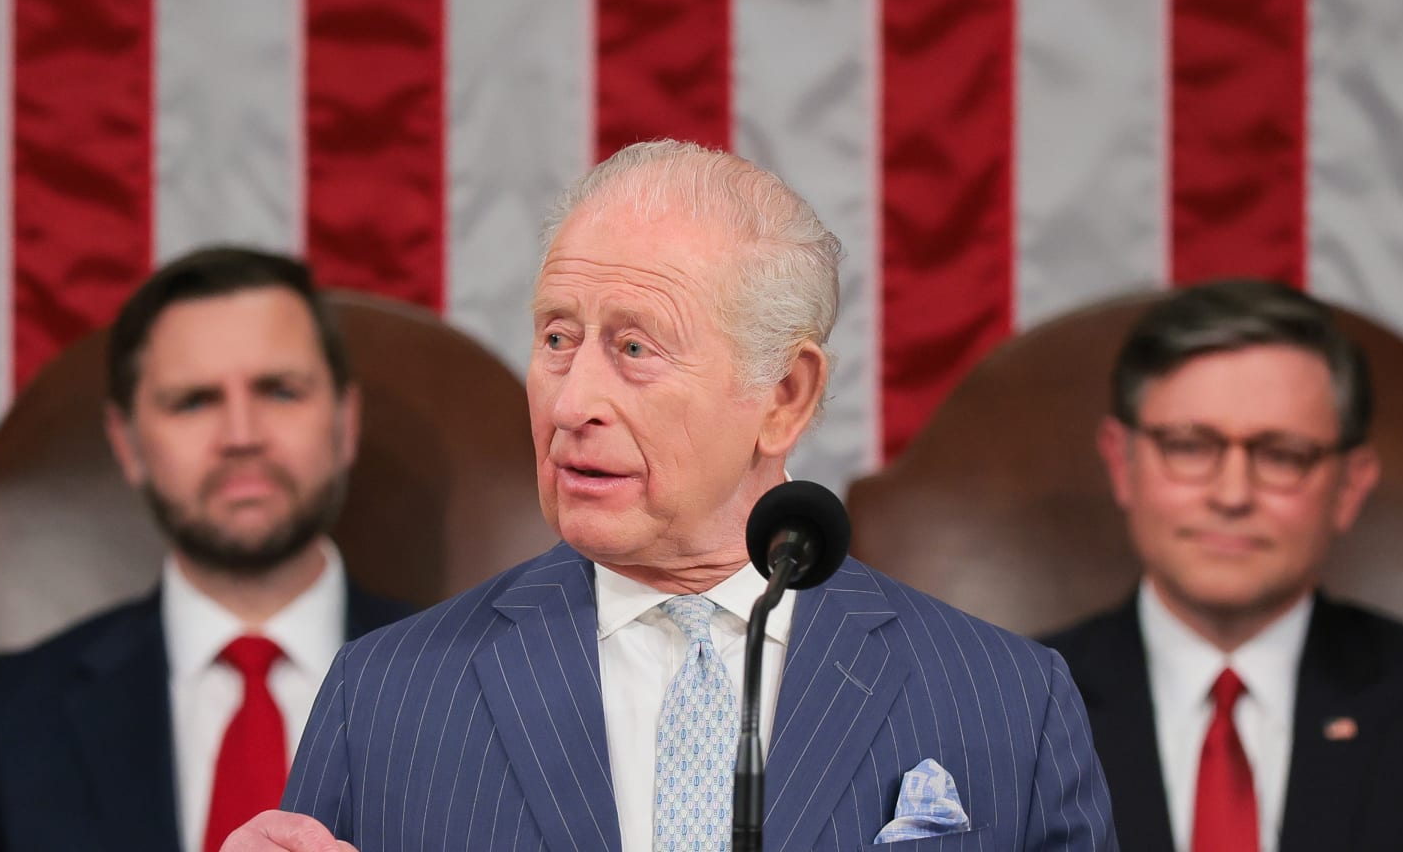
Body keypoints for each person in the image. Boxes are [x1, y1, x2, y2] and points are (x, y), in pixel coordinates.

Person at [223, 140, 1116, 851]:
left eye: (635, 349)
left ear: (785, 396)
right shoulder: (385, 699)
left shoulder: (1006, 701)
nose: (571, 404)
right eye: (557, 338)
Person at [0, 247, 414, 852]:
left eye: (280, 392)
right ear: (126, 444)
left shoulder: (480, 691)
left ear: (346, 421)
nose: (242, 436)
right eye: (194, 401)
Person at [1044, 279, 1403, 852]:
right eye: (1189, 445)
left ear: (1350, 486)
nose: (1232, 495)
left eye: (1281, 455)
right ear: (1122, 462)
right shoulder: (1013, 705)